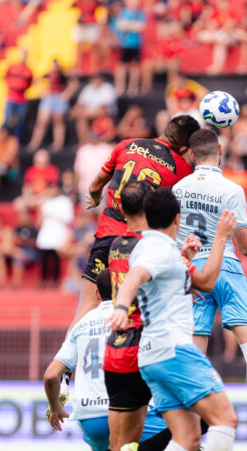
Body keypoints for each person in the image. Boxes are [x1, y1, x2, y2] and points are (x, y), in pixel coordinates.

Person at [77, 181, 235, 451]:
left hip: (141, 352)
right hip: (171, 348)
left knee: (186, 437)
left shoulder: (140, 245)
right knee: (224, 420)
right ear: (177, 217)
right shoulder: (157, 249)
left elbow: (181, 277)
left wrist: (184, 257)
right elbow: (139, 276)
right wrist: (220, 236)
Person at [44, 270, 216, 451]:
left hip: (88, 418)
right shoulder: (135, 318)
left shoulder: (80, 325)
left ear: (96, 293)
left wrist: (54, 408)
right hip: (126, 411)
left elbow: (51, 374)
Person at [173, 128, 247, 451]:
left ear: (191, 154)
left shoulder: (178, 188)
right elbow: (246, 244)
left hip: (192, 272)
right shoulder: (232, 189)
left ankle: (191, 431)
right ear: (219, 150)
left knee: (194, 356)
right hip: (227, 267)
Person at [73, 115, 200, 327]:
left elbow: (95, 187)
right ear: (184, 147)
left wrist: (96, 200)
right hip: (140, 245)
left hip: (107, 237)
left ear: (166, 128)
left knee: (85, 311)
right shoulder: (183, 171)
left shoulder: (127, 145)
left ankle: (70, 355)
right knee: (136, 317)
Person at [29, 59, 76, 152]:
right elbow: (35, 81)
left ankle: (58, 144)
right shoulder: (47, 74)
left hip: (58, 97)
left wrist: (66, 94)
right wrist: (41, 92)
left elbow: (73, 83)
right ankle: (34, 143)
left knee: (58, 121)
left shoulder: (63, 75)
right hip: (49, 97)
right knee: (42, 121)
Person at [36, 182, 73, 287]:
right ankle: (43, 280)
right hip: (46, 232)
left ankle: (55, 281)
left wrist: (53, 214)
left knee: (56, 258)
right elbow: (41, 218)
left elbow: (68, 218)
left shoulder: (65, 201)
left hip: (59, 232)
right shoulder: (45, 201)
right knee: (44, 258)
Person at [113, 0, 146, 96]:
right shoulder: (123, 12)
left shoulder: (140, 13)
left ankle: (133, 88)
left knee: (134, 67)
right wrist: (133, 25)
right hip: (124, 44)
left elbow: (141, 27)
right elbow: (120, 26)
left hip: (136, 44)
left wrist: (128, 25)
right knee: (121, 66)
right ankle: (120, 87)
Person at [3, 50, 33, 141]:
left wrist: (21, 88)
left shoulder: (28, 70)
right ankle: (3, 141)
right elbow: (6, 78)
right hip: (11, 98)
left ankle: (17, 142)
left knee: (20, 122)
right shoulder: (12, 68)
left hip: (21, 100)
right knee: (7, 121)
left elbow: (30, 83)